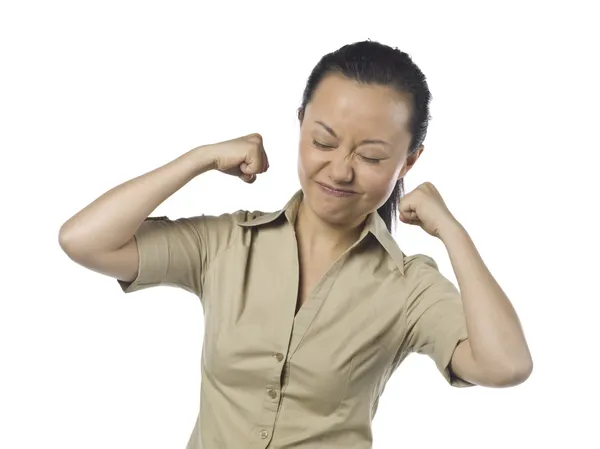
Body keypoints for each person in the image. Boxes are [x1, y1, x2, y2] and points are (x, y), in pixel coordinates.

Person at [59, 40, 533, 449]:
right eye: (323, 142)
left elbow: (505, 365)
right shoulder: (227, 244)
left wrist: (453, 232)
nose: (341, 169)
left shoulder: (409, 288)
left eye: (370, 156)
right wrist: (199, 159)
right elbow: (84, 241)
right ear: (300, 123)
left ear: (408, 162)